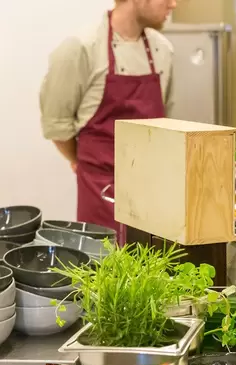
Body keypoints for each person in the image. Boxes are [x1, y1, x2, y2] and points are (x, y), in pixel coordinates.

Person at [40, 0, 176, 241]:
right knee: (103, 269)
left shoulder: (163, 51)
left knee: (151, 269)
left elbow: (169, 123)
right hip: (101, 194)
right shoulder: (80, 48)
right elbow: (57, 126)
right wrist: (84, 161)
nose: (173, 4)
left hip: (152, 195)